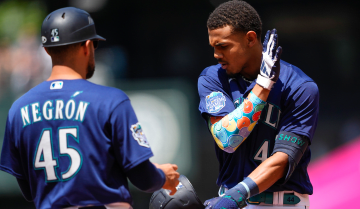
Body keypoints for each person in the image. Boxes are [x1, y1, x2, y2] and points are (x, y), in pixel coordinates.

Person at [0, 7, 179, 209]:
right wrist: (163, 176)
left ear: (47, 50)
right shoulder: (111, 100)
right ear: (87, 46)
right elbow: (143, 178)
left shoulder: (18, 109)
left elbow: (28, 190)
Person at [198, 1, 319, 209]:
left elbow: (282, 160)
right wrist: (263, 85)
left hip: (283, 204)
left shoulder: (300, 86)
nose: (217, 55)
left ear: (250, 39)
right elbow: (227, 139)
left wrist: (238, 194)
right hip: (228, 201)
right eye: (213, 47)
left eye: (223, 46)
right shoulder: (212, 78)